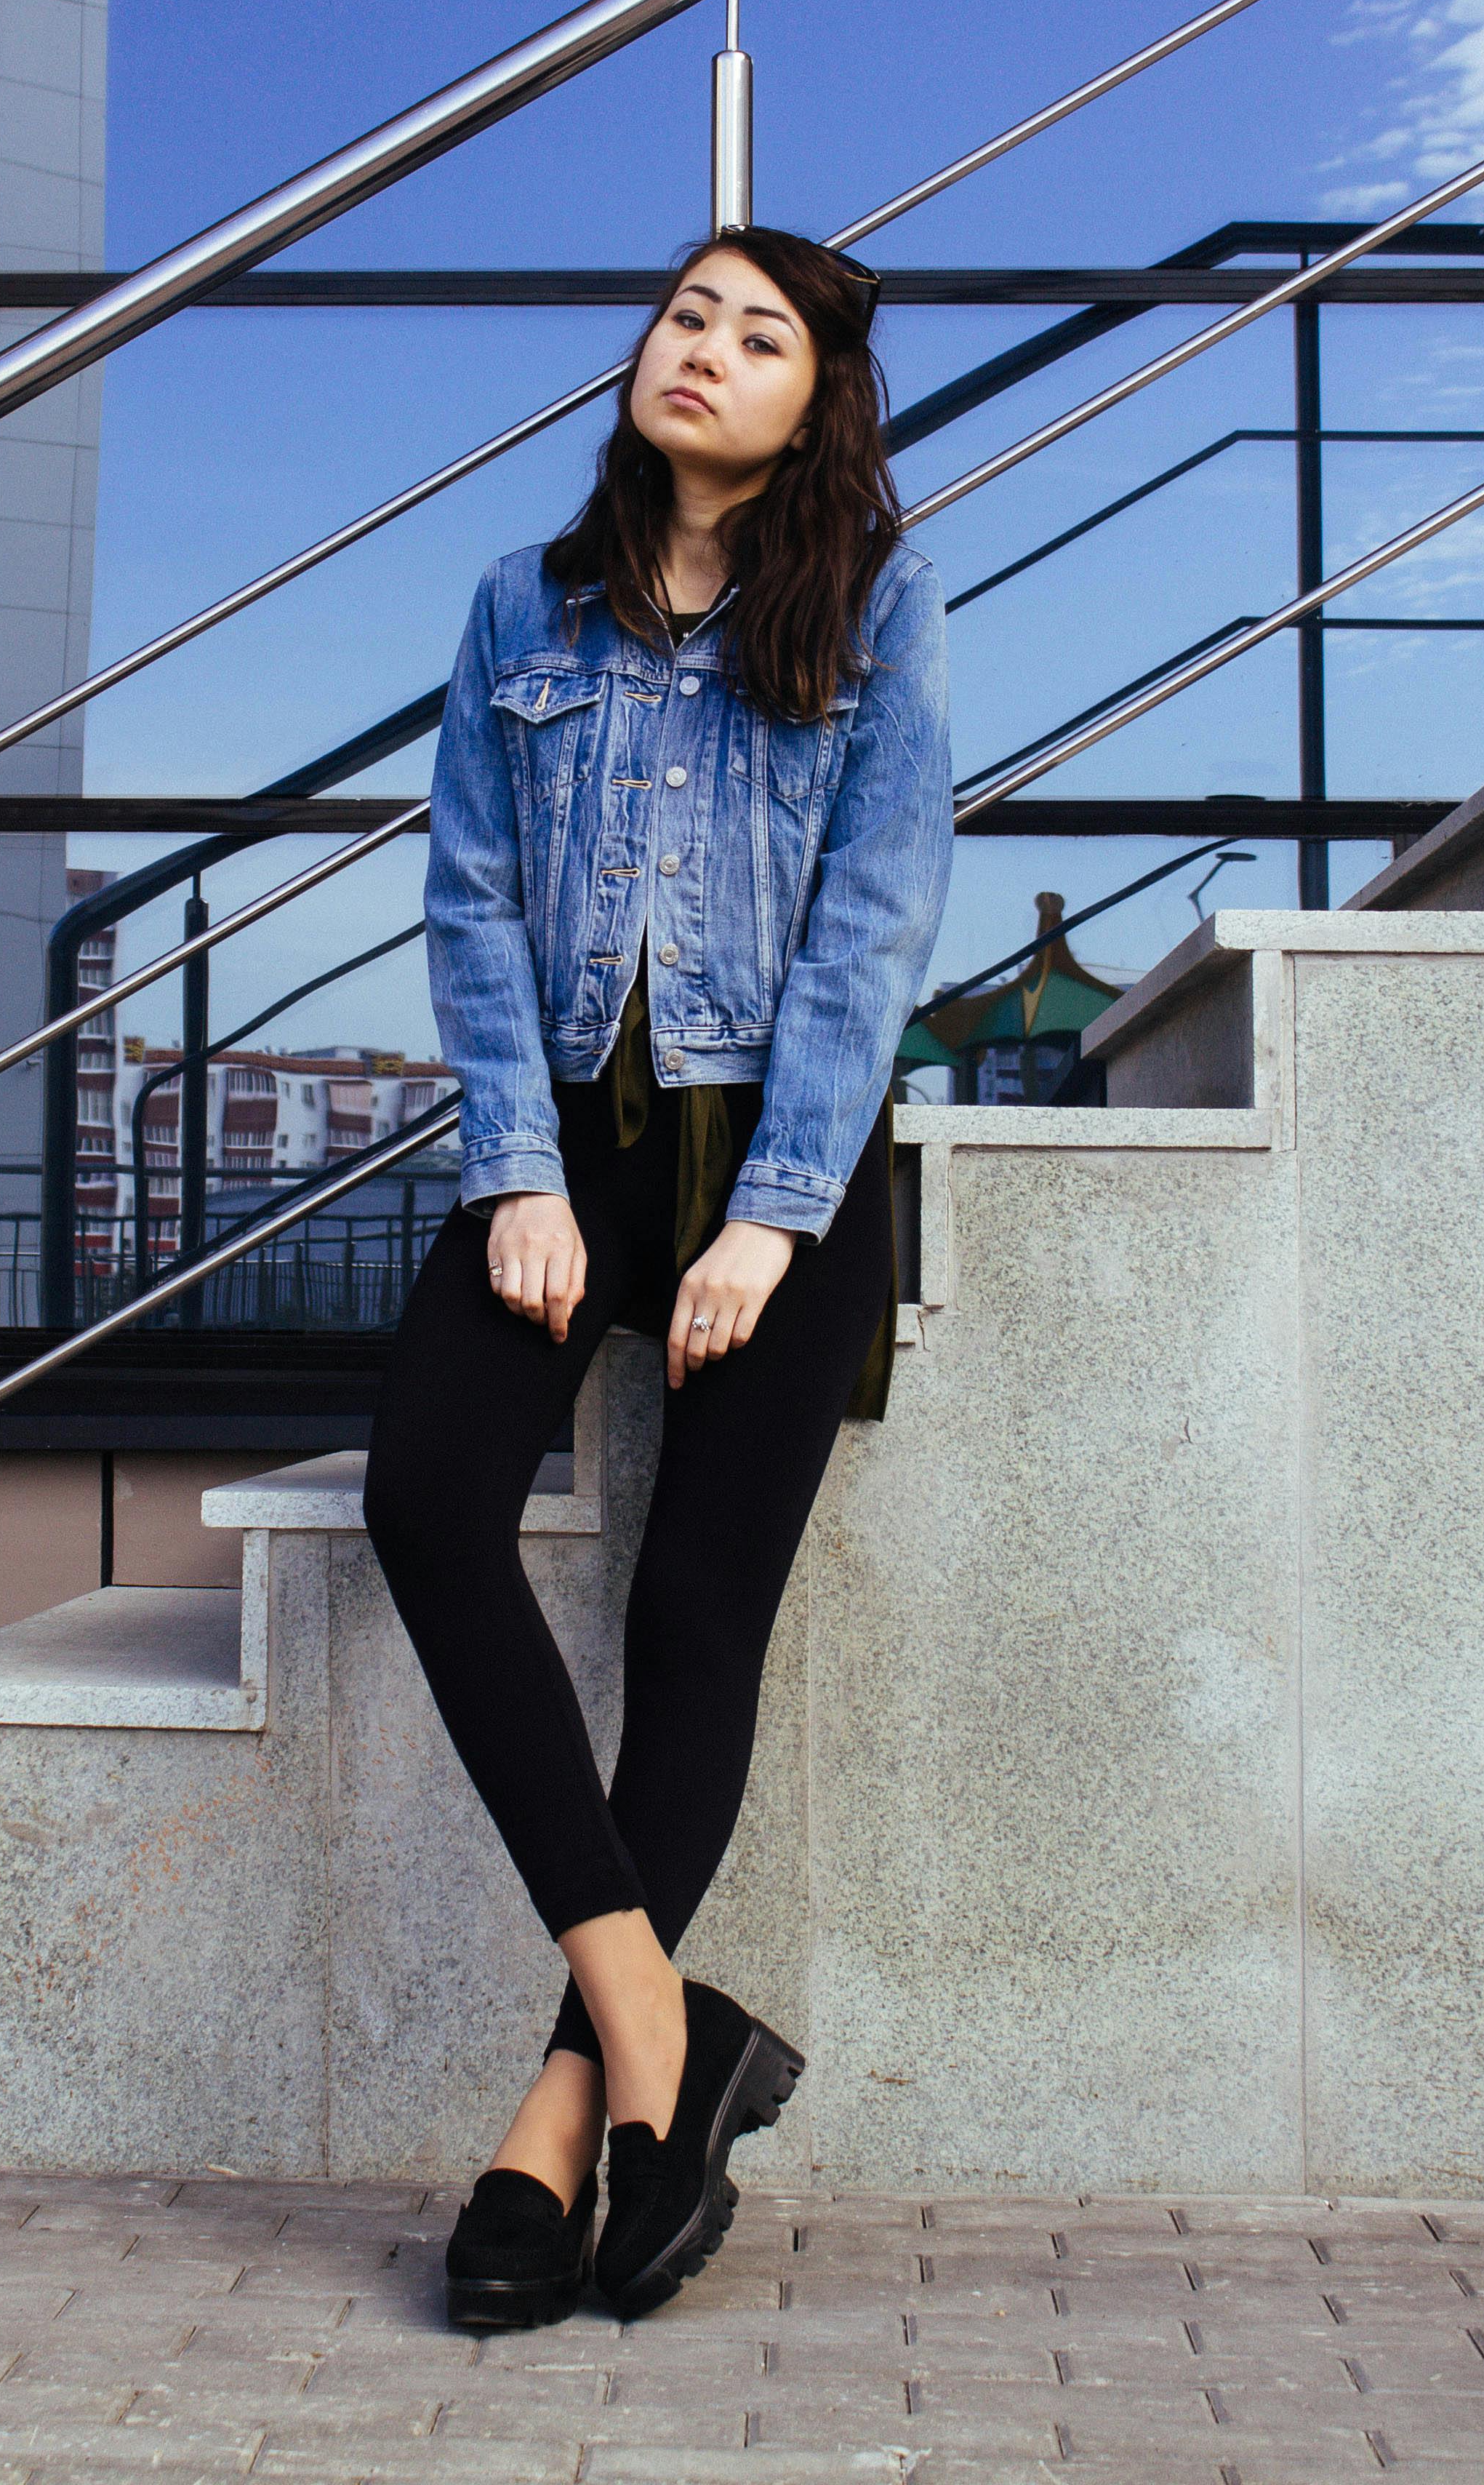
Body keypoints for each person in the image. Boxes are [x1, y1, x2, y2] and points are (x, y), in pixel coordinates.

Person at [364, 225, 952, 2328]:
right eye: (688, 313)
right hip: (572, 1152)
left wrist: (779, 1217)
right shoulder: (520, 606)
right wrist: (516, 1173)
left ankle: (552, 2128)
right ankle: (661, 2039)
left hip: (775, 1150)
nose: (703, 349)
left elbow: (875, 928)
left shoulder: (877, 610)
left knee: (695, 1614)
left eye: (758, 332)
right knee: (425, 1499)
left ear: (818, 401)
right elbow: (466, 900)